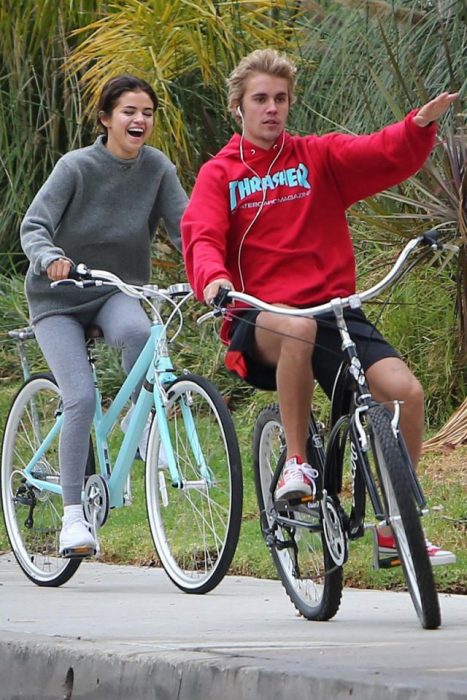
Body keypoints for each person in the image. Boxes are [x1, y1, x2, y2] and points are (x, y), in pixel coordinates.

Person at [181, 49, 458, 565]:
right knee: (297, 331)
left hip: (331, 308)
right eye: (260, 99)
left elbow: (379, 152)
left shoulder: (318, 157)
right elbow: (201, 235)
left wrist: (417, 125)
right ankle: (295, 462)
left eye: (281, 99)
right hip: (259, 314)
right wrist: (215, 280)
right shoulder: (220, 174)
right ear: (238, 107)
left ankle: (395, 526)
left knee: (407, 393)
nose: (272, 109)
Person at [21, 74, 188, 556]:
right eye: (129, 112)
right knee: (80, 396)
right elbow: (34, 225)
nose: (140, 121)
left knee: (140, 332)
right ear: (105, 118)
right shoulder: (75, 167)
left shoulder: (157, 169)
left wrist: (211, 269)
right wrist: (49, 257)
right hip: (59, 296)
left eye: (147, 113)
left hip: (113, 290)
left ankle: (139, 418)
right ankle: (73, 518)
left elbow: (186, 230)